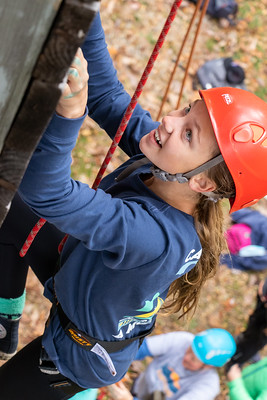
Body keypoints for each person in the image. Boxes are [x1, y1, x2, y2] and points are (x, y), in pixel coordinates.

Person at [0, 9, 267, 400]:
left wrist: (68, 115)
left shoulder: (153, 236)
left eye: (188, 133)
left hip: (73, 356)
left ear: (203, 181)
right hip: (85, 276)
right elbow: (109, 97)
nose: (170, 122)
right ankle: (6, 319)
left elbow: (51, 192)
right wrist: (80, 13)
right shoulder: (170, 162)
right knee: (12, 207)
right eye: (185, 111)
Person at [107, 329, 236, 400]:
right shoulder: (183, 340)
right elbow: (142, 349)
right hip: (141, 385)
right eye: (190, 350)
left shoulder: (208, 387)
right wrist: (113, 362)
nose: (186, 357)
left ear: (209, 366)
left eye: (194, 359)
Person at [225, 277, 267, 372]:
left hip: (262, 332)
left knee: (252, 344)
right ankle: (244, 343)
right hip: (263, 302)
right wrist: (262, 292)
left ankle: (235, 362)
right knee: (254, 324)